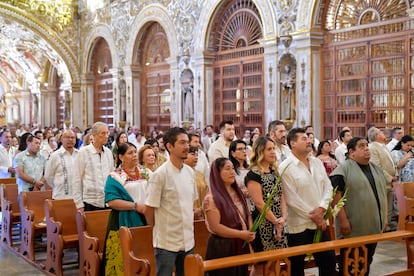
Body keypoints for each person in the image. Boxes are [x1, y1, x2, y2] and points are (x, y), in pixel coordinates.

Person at [279, 128, 336, 276]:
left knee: (328, 261)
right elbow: (291, 199)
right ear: (293, 143)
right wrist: (315, 216)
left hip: (320, 221)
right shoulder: (285, 167)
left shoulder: (316, 162)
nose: (309, 141)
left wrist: (322, 208)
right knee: (297, 266)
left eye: (308, 138)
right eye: (304, 139)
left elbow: (328, 187)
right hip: (298, 225)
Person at [330, 137, 387, 275]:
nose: (367, 148)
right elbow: (336, 196)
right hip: (352, 227)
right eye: (361, 146)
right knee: (351, 265)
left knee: (366, 262)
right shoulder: (343, 169)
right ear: (351, 152)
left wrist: (383, 219)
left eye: (367, 145)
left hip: (372, 225)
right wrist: (343, 220)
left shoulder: (375, 169)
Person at [144, 127, 197, 276]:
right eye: (182, 143)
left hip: (188, 240)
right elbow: (149, 209)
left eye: (187, 142)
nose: (187, 147)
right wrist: (159, 229)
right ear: (169, 146)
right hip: (166, 242)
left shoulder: (189, 172)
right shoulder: (159, 175)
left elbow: (190, 204)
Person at [101, 142, 147, 275]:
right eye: (130, 153)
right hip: (123, 220)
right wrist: (135, 206)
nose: (134, 155)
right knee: (123, 259)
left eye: (135, 152)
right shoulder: (115, 176)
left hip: (146, 218)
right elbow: (111, 201)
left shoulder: (146, 173)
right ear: (121, 157)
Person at [204, 157, 254, 276]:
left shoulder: (238, 192)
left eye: (233, 168)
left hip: (241, 242)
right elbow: (216, 227)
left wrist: (250, 230)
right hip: (222, 247)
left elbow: (247, 215)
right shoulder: (211, 199)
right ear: (217, 173)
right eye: (227, 169)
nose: (232, 172)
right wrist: (241, 234)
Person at [246, 136, 287, 252]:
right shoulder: (253, 174)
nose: (273, 152)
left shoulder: (275, 171)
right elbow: (259, 203)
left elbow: (282, 195)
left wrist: (283, 218)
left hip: (279, 221)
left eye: (273, 148)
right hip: (263, 222)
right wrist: (275, 221)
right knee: (262, 265)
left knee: (279, 261)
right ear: (260, 152)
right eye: (269, 149)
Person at [72, 122, 114, 211]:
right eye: (103, 133)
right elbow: (76, 179)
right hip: (90, 201)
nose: (106, 136)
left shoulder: (108, 152)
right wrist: (78, 204)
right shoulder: (83, 152)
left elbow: (111, 175)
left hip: (107, 200)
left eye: (107, 133)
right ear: (94, 135)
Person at [367, 127, 397, 231]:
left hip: (390, 182)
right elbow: (376, 166)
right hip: (381, 181)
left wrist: (395, 174)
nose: (383, 133)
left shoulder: (384, 146)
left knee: (388, 207)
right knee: (382, 206)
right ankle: (381, 227)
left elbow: (392, 162)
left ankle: (386, 225)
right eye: (380, 132)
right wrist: (390, 178)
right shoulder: (372, 148)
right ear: (376, 136)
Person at [44, 130, 78, 199]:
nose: (70, 140)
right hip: (60, 196)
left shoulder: (79, 154)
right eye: (67, 137)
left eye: (72, 137)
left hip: (77, 197)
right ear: (62, 139)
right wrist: (59, 184)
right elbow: (48, 176)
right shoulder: (55, 156)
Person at [184, 146, 208, 220]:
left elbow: (207, 193)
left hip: (201, 212)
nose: (196, 157)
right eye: (192, 154)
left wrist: (201, 209)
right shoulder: (180, 174)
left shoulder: (200, 174)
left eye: (197, 155)